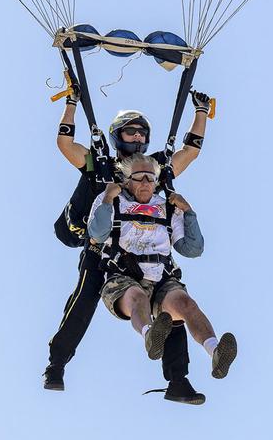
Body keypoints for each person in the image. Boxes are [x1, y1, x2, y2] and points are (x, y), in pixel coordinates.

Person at [45, 85, 213, 405]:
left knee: (172, 305)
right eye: (130, 132)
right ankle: (56, 365)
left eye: (141, 133)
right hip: (104, 251)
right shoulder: (100, 163)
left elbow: (188, 152)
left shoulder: (154, 169)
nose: (136, 138)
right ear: (117, 135)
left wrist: (201, 112)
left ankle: (179, 381)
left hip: (146, 254)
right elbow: (65, 144)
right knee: (82, 304)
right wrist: (71, 103)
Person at [88, 153, 237, 381]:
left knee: (186, 304)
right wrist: (108, 199)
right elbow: (97, 234)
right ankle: (150, 336)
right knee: (138, 296)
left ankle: (215, 351)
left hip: (161, 278)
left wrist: (188, 212)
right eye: (139, 177)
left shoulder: (165, 207)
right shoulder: (112, 200)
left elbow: (192, 249)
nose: (146, 182)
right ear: (126, 180)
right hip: (122, 277)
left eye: (150, 177)